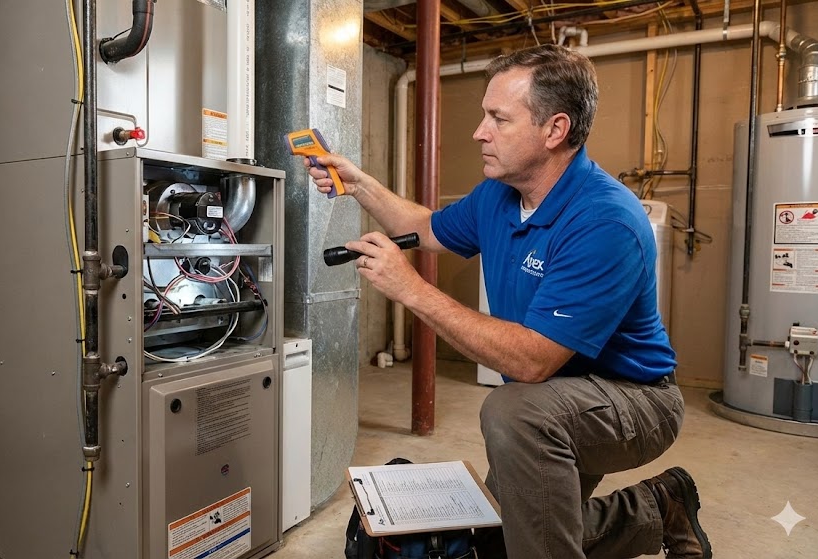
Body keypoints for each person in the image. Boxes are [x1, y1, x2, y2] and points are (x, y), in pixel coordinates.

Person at [305, 45, 711, 559]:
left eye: (498, 118)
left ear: (554, 130)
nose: (479, 131)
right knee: (498, 539)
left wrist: (410, 289)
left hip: (633, 398)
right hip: (558, 390)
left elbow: (531, 360)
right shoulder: (499, 195)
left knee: (514, 412)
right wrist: (360, 186)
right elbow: (426, 229)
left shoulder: (604, 222)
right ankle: (658, 507)